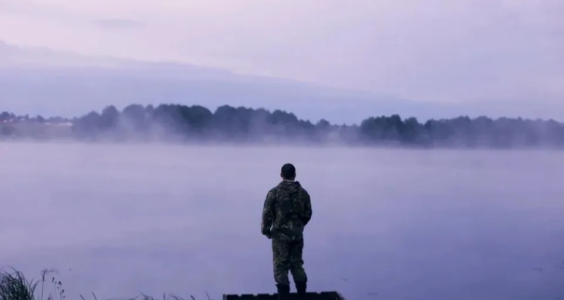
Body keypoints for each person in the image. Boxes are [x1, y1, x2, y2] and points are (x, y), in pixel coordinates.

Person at [261, 163, 313, 298]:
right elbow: (308, 213)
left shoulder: (274, 193)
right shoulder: (303, 193)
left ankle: (283, 297)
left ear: (281, 175)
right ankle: (302, 295)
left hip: (279, 237)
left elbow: (267, 214)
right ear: (294, 175)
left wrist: (266, 231)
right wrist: (299, 227)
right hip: (297, 235)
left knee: (280, 266)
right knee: (297, 264)